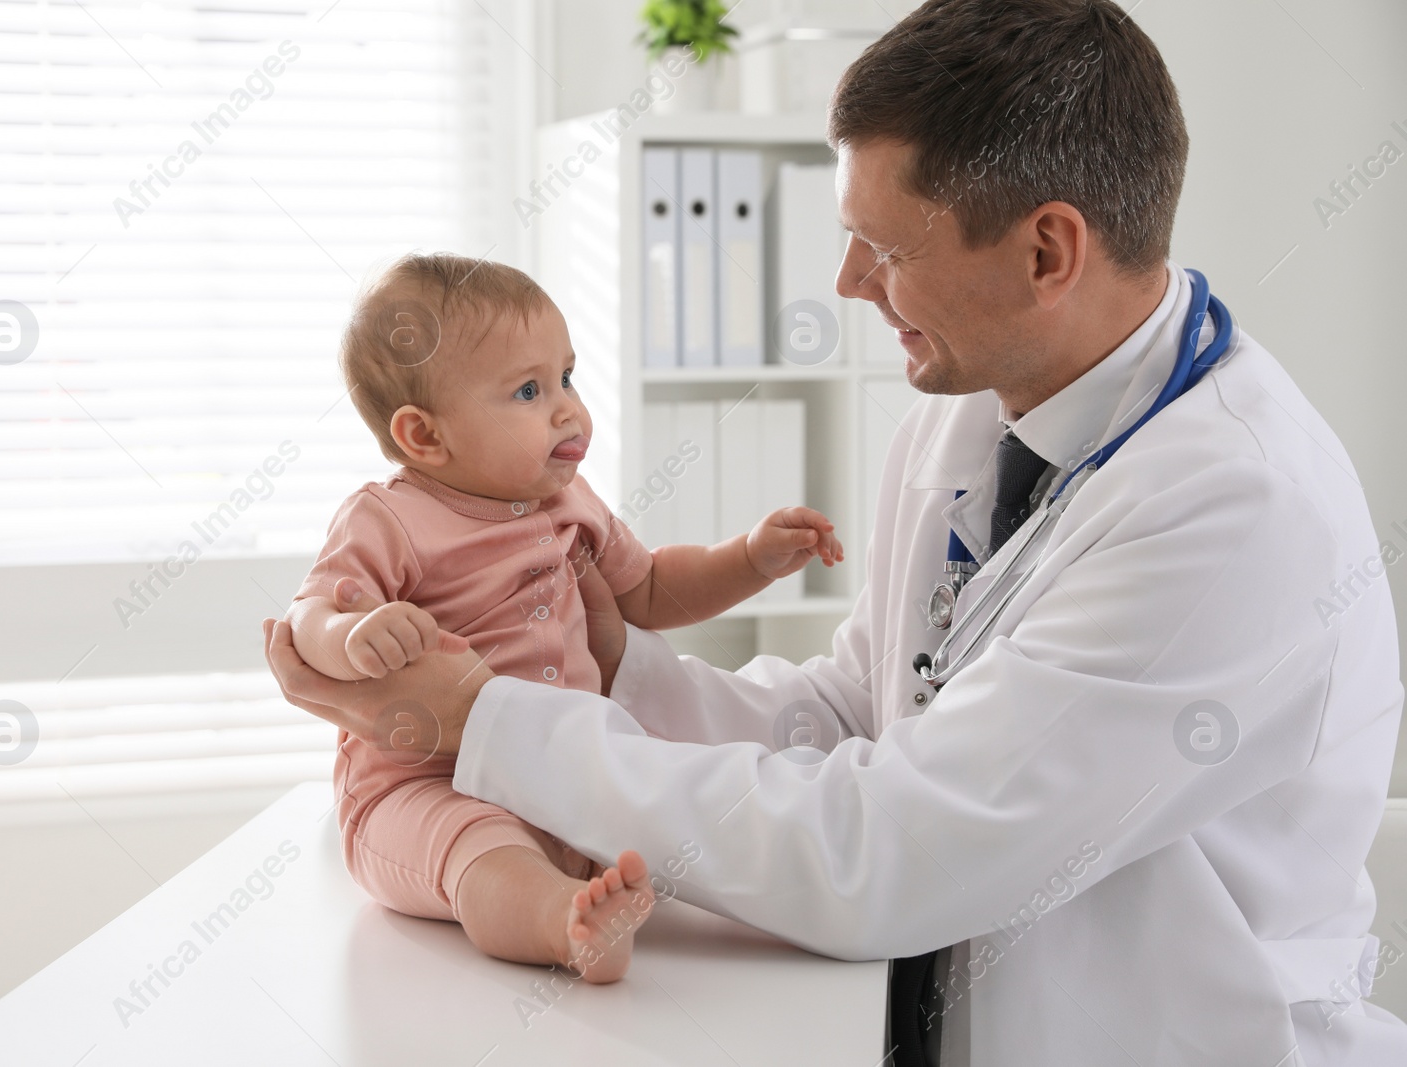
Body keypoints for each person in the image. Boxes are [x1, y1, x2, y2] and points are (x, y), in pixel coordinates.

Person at [265, 1, 1407, 1062]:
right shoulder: (966, 413)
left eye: (887, 248)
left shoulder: (1233, 510)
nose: (846, 280)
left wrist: (486, 717)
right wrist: (616, 660)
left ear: (1047, 251)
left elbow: (890, 849)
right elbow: (861, 713)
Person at [286, 251, 843, 983]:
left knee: (635, 818)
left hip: (559, 778)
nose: (567, 408)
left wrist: (748, 559)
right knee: (480, 852)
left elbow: (650, 592)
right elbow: (307, 618)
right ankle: (563, 924)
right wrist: (352, 635)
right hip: (424, 788)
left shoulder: (569, 503)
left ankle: (586, 887)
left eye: (567, 377)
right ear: (424, 437)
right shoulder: (388, 517)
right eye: (526, 390)